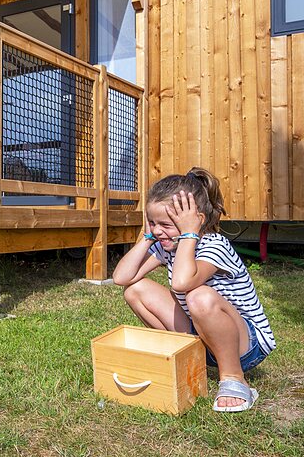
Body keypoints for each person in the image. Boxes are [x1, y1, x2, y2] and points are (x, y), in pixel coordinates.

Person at [111, 167, 275, 412]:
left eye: (165, 224)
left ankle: (234, 378)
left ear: (195, 220)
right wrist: (147, 237)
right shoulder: (167, 245)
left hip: (246, 345)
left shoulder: (214, 245)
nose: (157, 230)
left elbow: (182, 283)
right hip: (204, 338)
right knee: (135, 290)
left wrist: (190, 234)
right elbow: (122, 277)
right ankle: (187, 357)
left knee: (199, 296)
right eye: (153, 222)